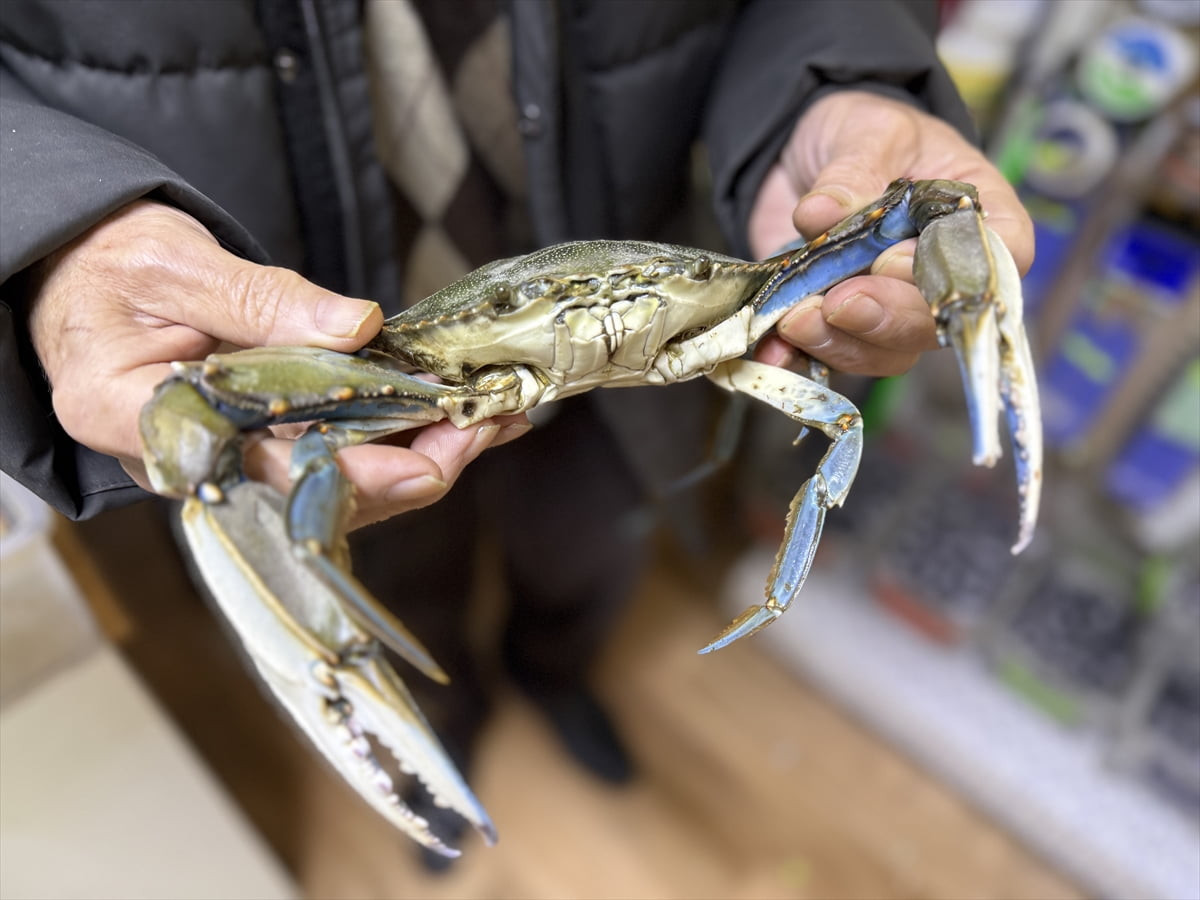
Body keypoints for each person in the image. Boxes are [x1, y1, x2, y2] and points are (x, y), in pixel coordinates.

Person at [0, 0, 1032, 864]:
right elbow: (200, 414)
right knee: (365, 540)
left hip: (668, 271)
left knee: (594, 536)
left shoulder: (755, 301)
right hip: (363, 333)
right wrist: (54, 224)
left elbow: (913, 207)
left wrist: (832, 88)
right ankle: (428, 736)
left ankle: (559, 674)